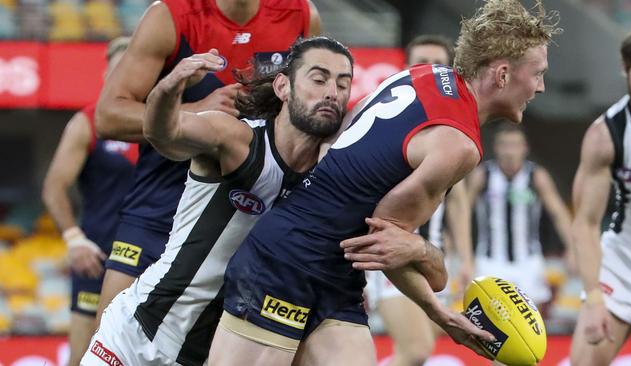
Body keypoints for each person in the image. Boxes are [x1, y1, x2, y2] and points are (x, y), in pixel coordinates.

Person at [209, 0, 562, 365]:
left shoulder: (423, 74)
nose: (541, 87)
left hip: (334, 272)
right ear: (502, 75)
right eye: (537, 74)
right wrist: (435, 288)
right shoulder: (459, 144)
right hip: (288, 263)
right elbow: (387, 241)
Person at [81, 37, 432, 366]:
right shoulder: (235, 138)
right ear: (283, 87)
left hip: (207, 354)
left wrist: (423, 252)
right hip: (135, 338)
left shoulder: (335, 182)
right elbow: (164, 134)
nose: (331, 93)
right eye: (319, 79)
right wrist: (168, 88)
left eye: (342, 84)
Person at [93, 0, 321, 320]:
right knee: (109, 340)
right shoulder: (170, 16)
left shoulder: (300, 15)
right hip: (161, 209)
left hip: (252, 213)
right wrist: (196, 112)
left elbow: (317, 112)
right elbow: (108, 117)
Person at [361, 33, 475, 366]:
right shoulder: (384, 121)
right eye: (420, 63)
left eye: (438, 65)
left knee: (423, 349)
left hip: (434, 258)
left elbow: (458, 201)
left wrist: (465, 259)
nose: (430, 71)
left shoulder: (453, 128)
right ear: (404, 69)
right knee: (416, 351)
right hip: (391, 258)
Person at [41, 37, 138, 366]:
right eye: (116, 71)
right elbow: (55, 185)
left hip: (154, 258)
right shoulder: (89, 122)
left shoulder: (167, 123)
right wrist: (74, 239)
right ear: (104, 76)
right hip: (99, 258)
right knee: (83, 358)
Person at [570, 24, 631, 366]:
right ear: (626, 70)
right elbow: (585, 223)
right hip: (624, 263)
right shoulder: (605, 135)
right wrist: (593, 299)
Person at [466, 124, 572, 319]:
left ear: (525, 148)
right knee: (489, 319)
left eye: (514, 145)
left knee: (532, 321)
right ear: (496, 148)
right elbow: (462, 213)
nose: (509, 151)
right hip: (490, 260)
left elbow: (558, 213)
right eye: (504, 145)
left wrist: (573, 248)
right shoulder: (483, 175)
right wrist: (463, 255)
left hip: (528, 260)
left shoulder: (536, 176)